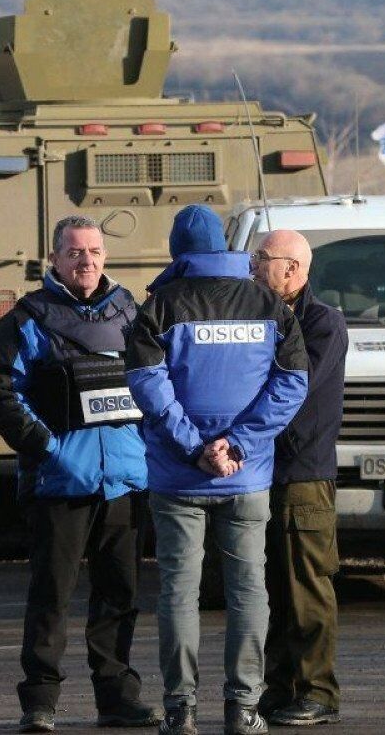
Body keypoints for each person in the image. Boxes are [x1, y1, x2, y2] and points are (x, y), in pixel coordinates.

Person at [125, 206, 310, 735]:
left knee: (178, 594)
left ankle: (180, 711)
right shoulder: (269, 305)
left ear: (178, 251)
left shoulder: (160, 305)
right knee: (249, 590)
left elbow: (147, 384)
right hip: (245, 477)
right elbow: (292, 384)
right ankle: (244, 709)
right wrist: (239, 445)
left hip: (178, 476)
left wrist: (195, 448)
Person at [0, 216, 158, 733]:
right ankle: (40, 702)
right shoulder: (27, 319)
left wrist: (146, 450)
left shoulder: (131, 313)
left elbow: (155, 383)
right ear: (55, 259)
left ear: (106, 256)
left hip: (125, 481)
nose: (87, 261)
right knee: (51, 597)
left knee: (120, 595)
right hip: (59, 482)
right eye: (76, 252)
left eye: (95, 251)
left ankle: (117, 699)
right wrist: (47, 448)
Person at [252, 230, 348, 728]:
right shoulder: (258, 316)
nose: (252, 265)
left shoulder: (321, 323)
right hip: (262, 472)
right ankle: (281, 687)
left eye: (261, 258)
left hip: (302, 474)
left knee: (307, 586)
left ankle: (318, 691)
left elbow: (295, 384)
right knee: (273, 587)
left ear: (291, 269)